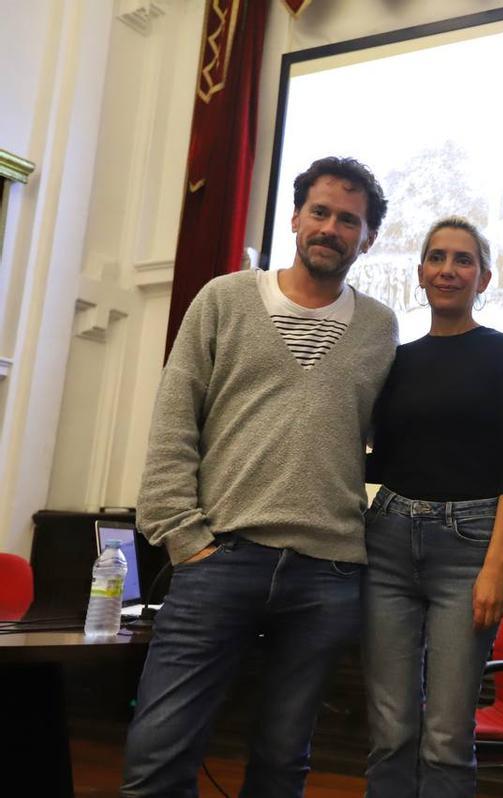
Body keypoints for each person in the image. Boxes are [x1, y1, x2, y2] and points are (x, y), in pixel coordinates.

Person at [122, 156, 398, 797]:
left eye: (349, 219)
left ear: (368, 238)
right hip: (218, 558)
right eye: (321, 212)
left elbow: (389, 440)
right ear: (297, 218)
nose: (331, 227)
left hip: (327, 574)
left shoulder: (382, 327)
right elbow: (173, 423)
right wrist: (185, 539)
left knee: (281, 764)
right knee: (157, 758)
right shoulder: (223, 298)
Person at [362, 216, 503, 797]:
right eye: (437, 258)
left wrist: (496, 565)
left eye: (463, 260)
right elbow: (379, 460)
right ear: (420, 274)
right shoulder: (397, 359)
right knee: (390, 731)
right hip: (386, 541)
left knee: (446, 736)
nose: (448, 270)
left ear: (484, 277)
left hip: (469, 551)